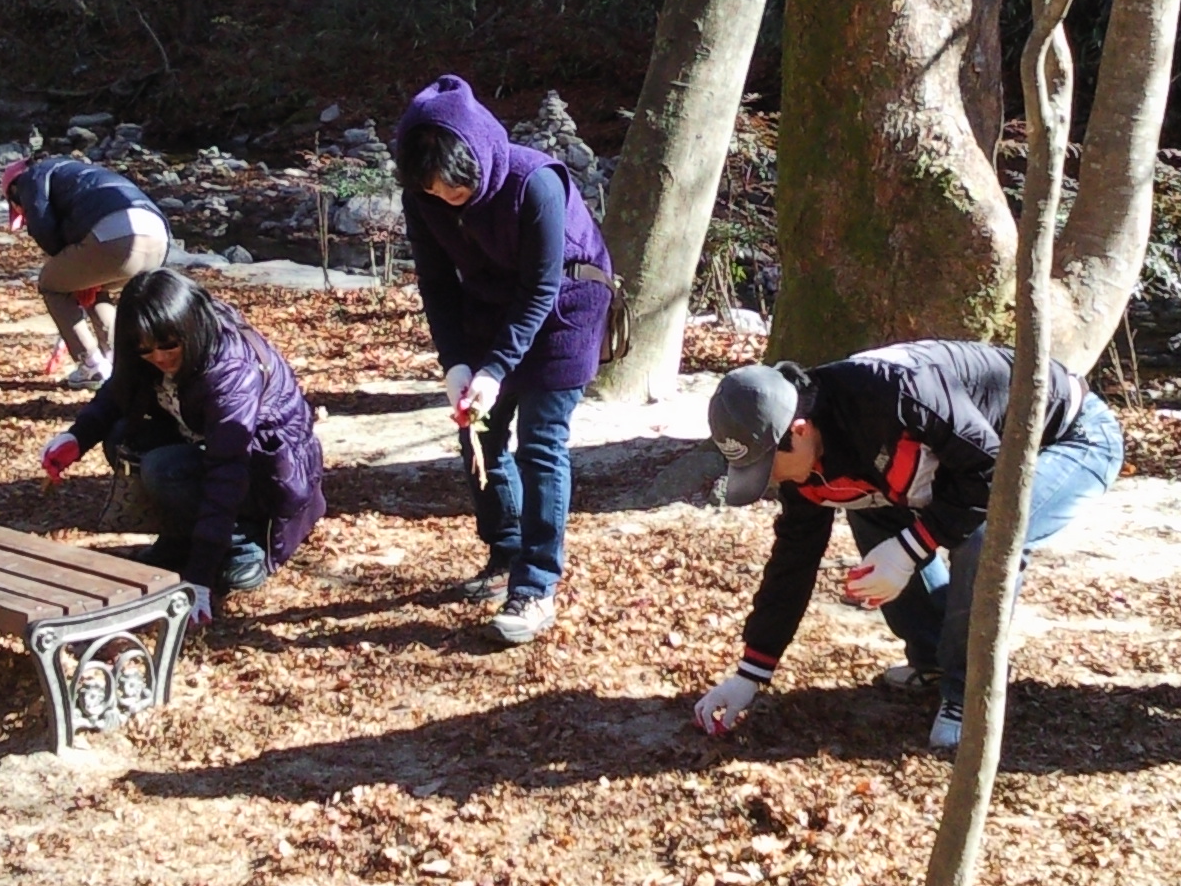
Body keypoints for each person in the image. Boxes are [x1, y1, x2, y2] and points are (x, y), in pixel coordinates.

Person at [695, 344, 1126, 750]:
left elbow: (993, 476)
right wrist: (752, 672)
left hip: (1070, 438)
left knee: (987, 537)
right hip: (971, 467)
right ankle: (934, 657)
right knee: (863, 500)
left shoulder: (896, 395)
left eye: (768, 466)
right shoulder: (804, 461)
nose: (770, 479)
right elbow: (794, 557)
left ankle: (970, 694)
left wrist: (909, 549)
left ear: (800, 430)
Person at [393, 75, 615, 646]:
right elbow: (437, 283)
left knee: (541, 441)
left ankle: (537, 583)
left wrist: (495, 370)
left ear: (477, 156)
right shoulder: (423, 197)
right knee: (480, 434)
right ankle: (506, 552)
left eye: (455, 191)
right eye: (434, 193)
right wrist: (458, 365)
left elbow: (540, 290)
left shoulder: (532, 182)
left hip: (567, 302)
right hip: (488, 306)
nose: (446, 200)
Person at [39, 268, 324, 624]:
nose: (158, 356)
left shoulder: (230, 370)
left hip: (268, 473)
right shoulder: (149, 350)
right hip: (204, 444)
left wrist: (199, 578)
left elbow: (228, 469)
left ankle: (246, 544)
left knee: (163, 470)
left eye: (168, 345)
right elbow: (118, 392)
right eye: (144, 349)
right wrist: (76, 438)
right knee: (121, 440)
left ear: (189, 328)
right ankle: (180, 536)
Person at [4, 151, 174, 388]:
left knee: (51, 284)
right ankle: (117, 361)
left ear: (13, 193)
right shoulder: (79, 173)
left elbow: (45, 229)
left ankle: (91, 366)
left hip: (115, 237)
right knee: (95, 287)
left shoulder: (30, 178)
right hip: (159, 240)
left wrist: (67, 267)